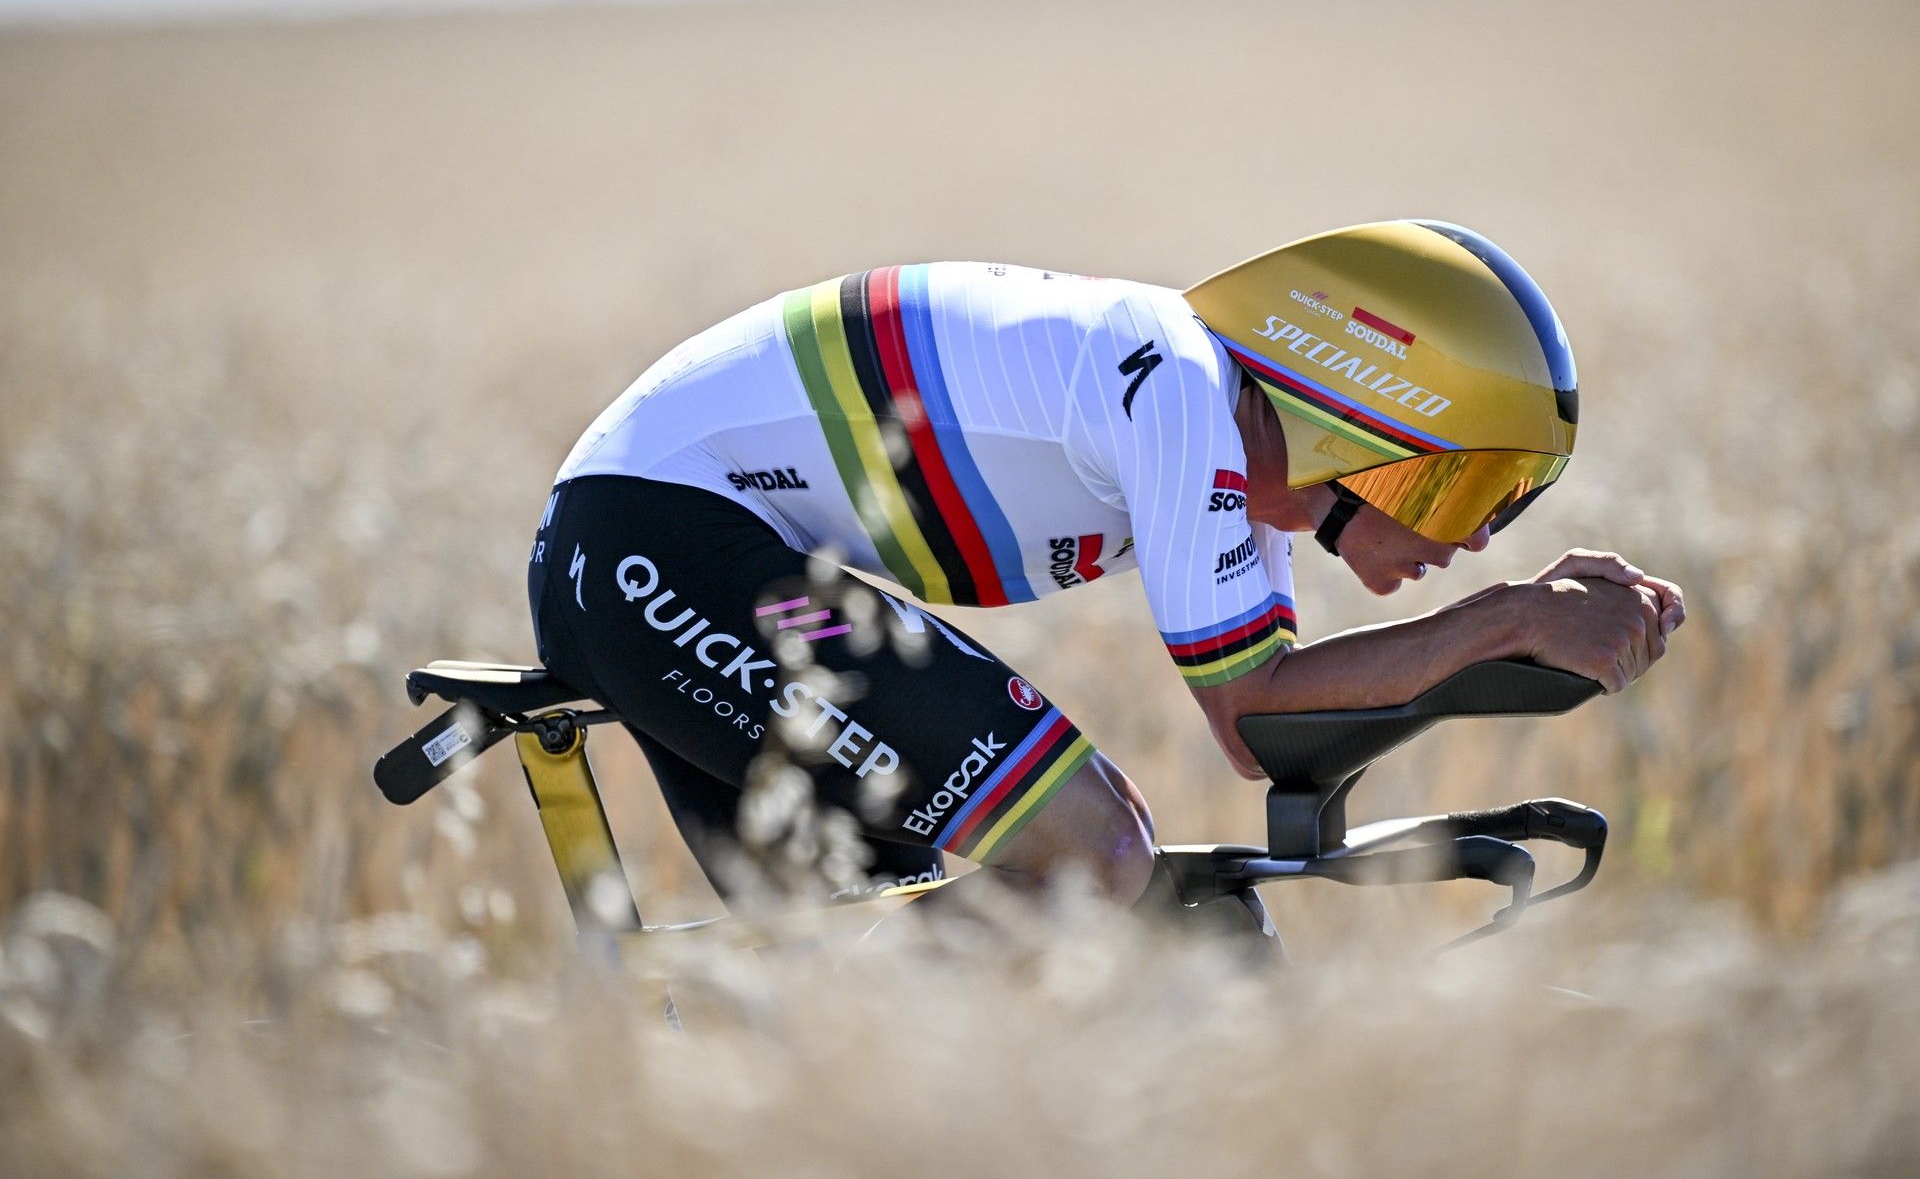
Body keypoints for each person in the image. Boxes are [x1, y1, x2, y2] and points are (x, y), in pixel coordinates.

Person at [525, 221, 1684, 910]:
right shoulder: (1182, 390)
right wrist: (1498, 623)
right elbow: (1252, 707)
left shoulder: (1239, 462)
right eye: (1461, 487)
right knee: (1095, 848)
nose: (1470, 538)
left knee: (902, 918)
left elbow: (1266, 736)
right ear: (1358, 424)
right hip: (653, 537)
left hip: (675, 538)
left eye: (1505, 509)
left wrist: (1508, 639)